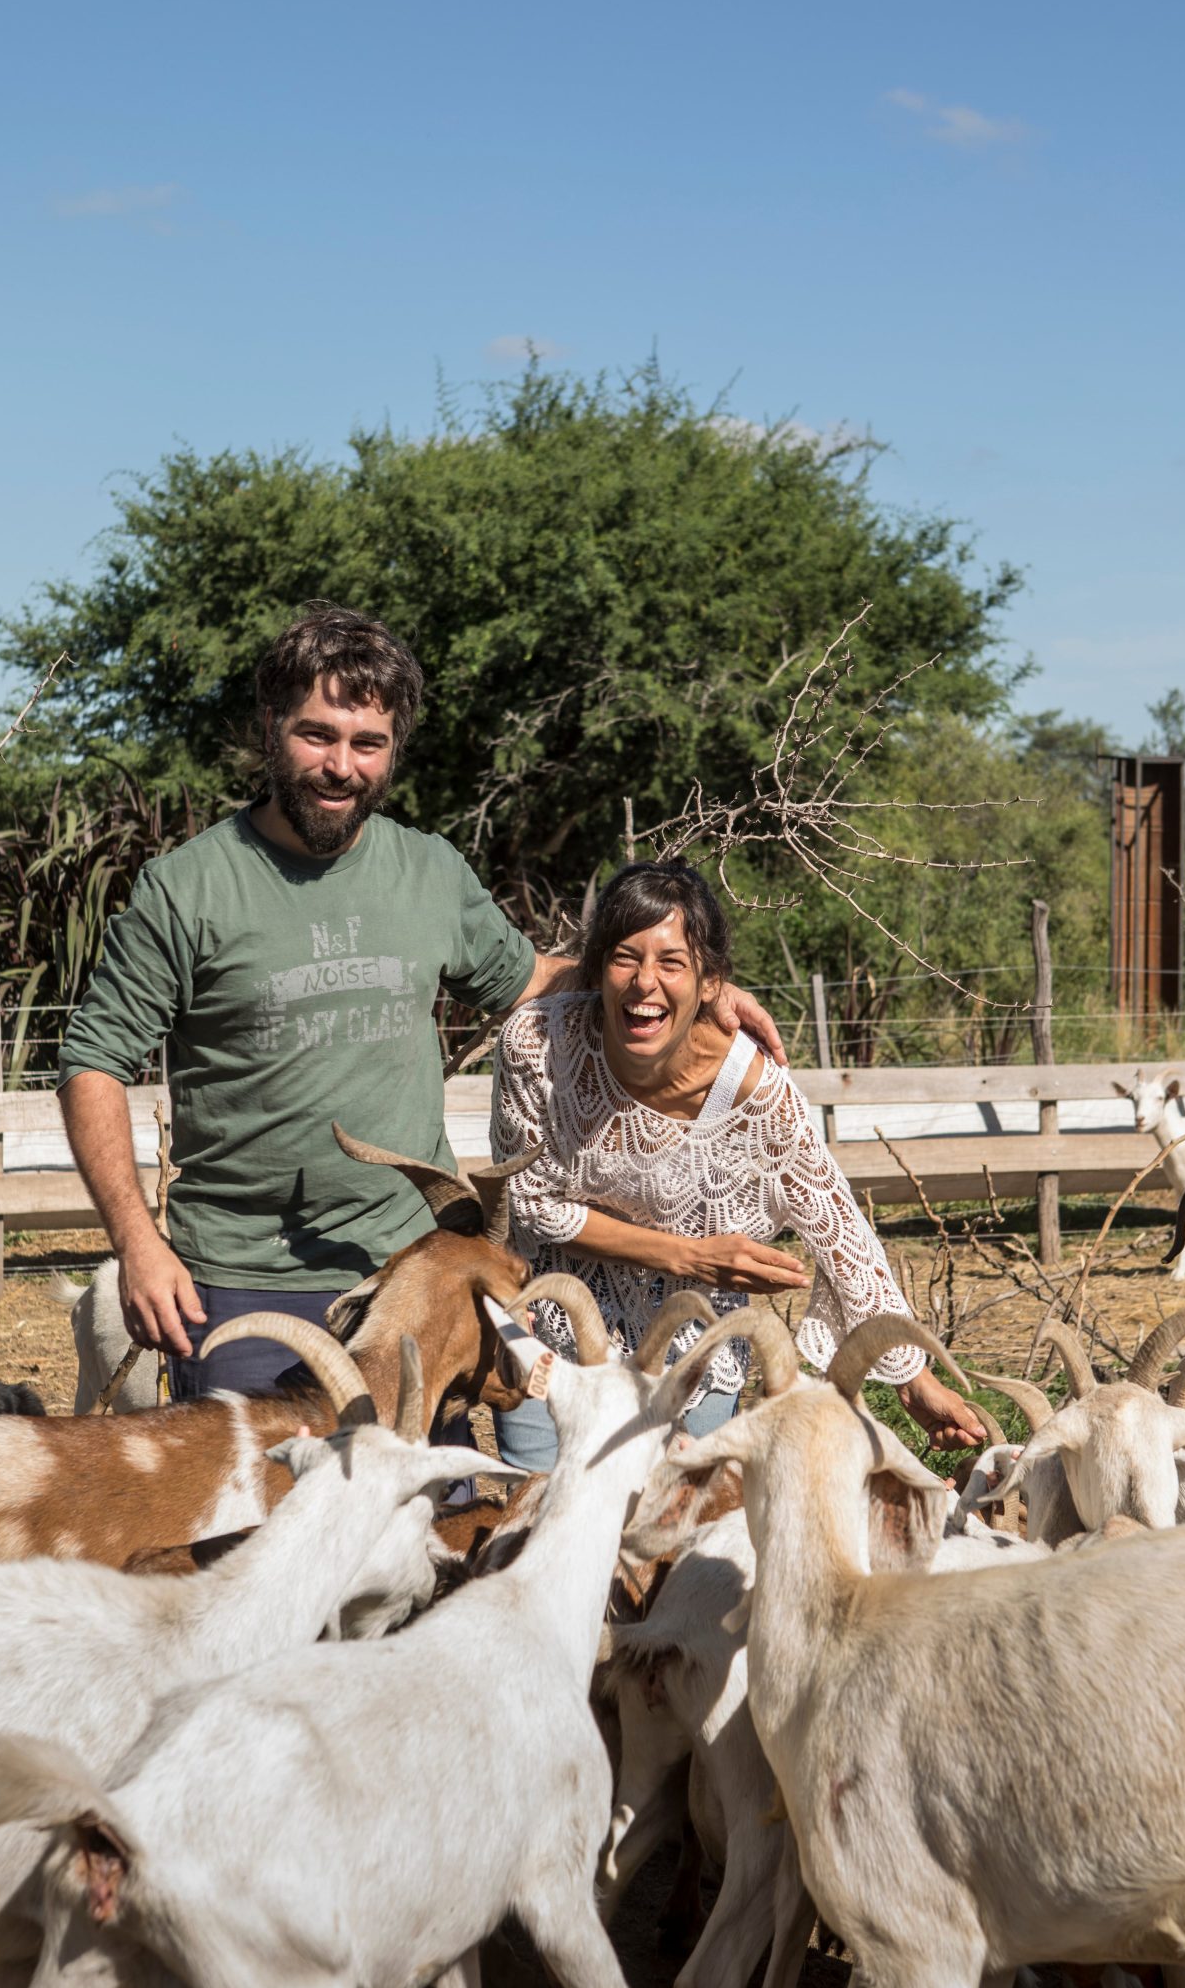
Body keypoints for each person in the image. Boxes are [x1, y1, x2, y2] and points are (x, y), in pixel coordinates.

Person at [57, 606, 784, 1398]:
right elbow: (92, 1061)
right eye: (317, 735)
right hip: (242, 1274)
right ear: (269, 727)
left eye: (367, 744)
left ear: (393, 749)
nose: (342, 766)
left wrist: (686, 988)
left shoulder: (428, 871)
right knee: (264, 1514)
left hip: (413, 1263)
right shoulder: (188, 887)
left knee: (418, 1507)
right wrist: (137, 1243)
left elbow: (531, 977)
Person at [489, 861, 985, 1470]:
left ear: (709, 984)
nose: (645, 982)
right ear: (596, 969)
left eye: (672, 963)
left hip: (695, 1352)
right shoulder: (537, 1044)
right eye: (624, 957)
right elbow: (531, 1203)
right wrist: (689, 1255)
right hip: (551, 1334)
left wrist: (911, 1376)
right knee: (540, 1528)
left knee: (667, 1547)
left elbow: (839, 1232)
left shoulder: (755, 1095)